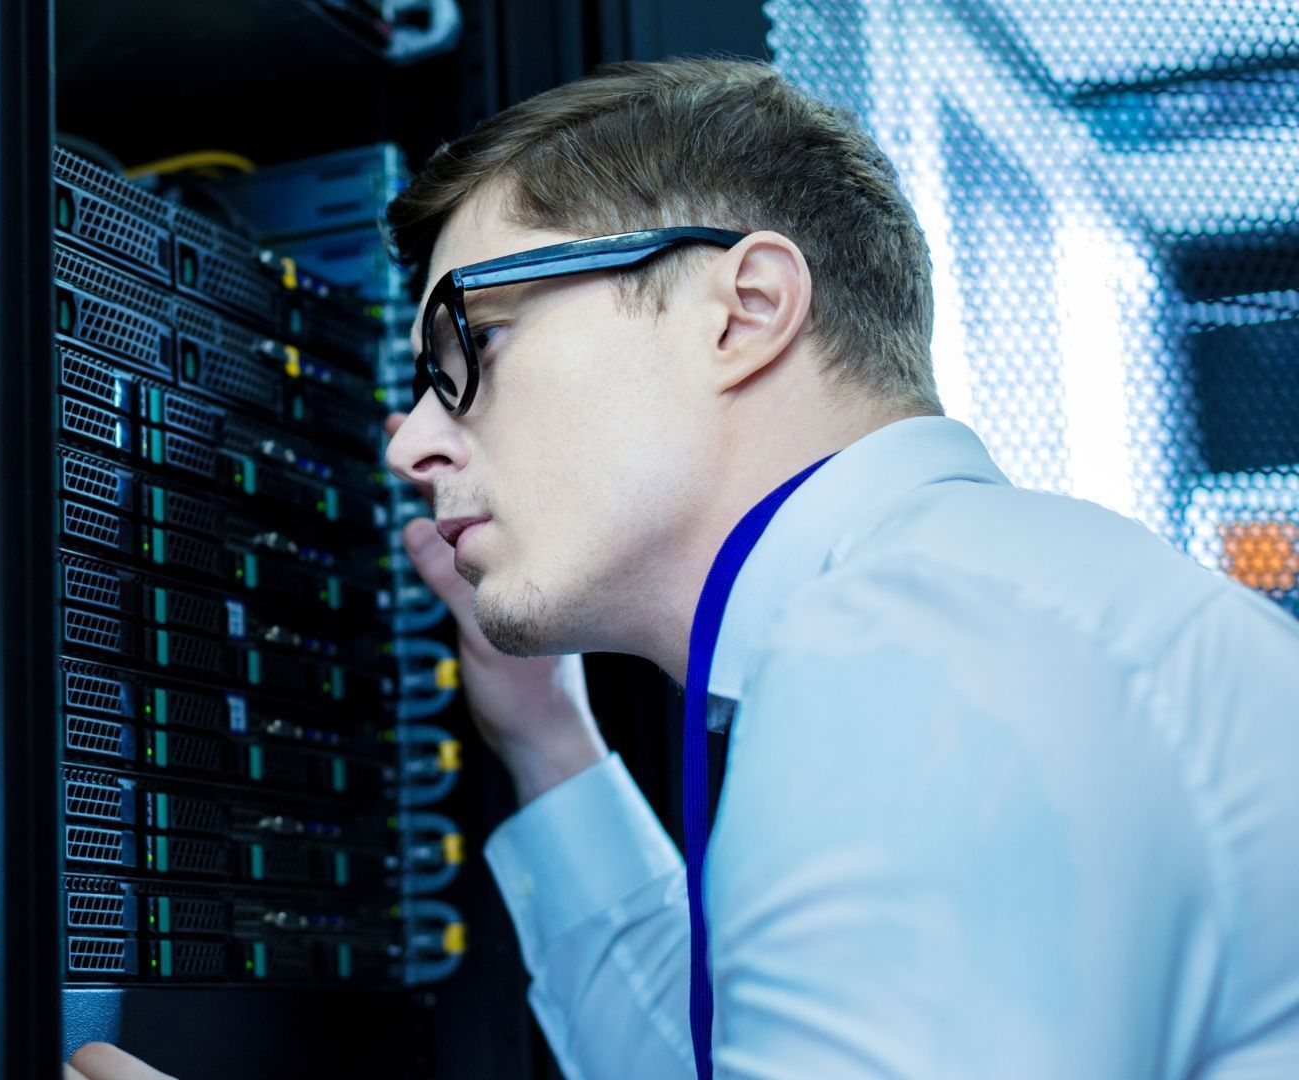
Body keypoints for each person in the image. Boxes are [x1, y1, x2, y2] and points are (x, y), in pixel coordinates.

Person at [70, 58, 1299, 1079]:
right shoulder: (980, 607)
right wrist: (550, 746)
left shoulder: (920, 644)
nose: (409, 440)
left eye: (472, 344)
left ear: (744, 308)